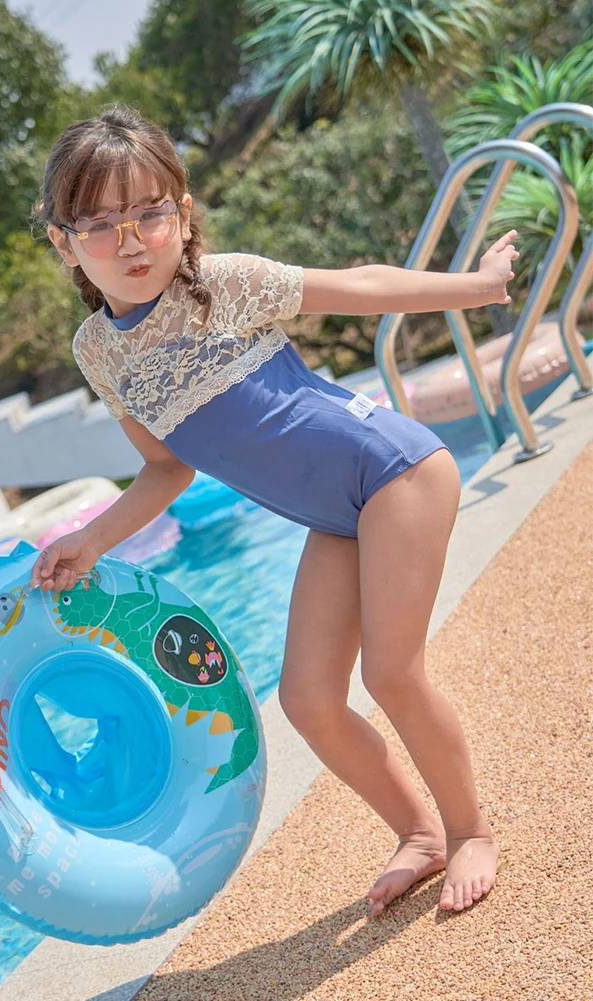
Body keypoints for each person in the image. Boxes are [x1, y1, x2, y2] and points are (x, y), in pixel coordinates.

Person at [28, 104, 513, 916]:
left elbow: (358, 290)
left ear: (181, 217)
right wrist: (90, 538)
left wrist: (479, 286)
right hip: (338, 517)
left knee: (388, 672)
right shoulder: (96, 351)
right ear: (63, 243)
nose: (130, 239)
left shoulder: (220, 286)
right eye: (101, 223)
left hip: (392, 472)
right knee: (308, 701)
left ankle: (468, 830)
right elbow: (166, 466)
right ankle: (419, 835)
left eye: (150, 212)